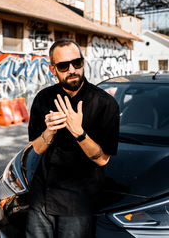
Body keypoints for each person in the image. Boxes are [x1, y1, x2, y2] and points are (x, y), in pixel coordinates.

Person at [26, 39, 119, 238]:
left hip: (78, 200)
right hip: (41, 195)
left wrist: (79, 133)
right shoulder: (43, 98)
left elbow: (103, 159)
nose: (72, 70)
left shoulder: (105, 103)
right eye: (63, 65)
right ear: (53, 69)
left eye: (76, 63)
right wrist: (49, 132)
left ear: (83, 62)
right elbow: (36, 147)